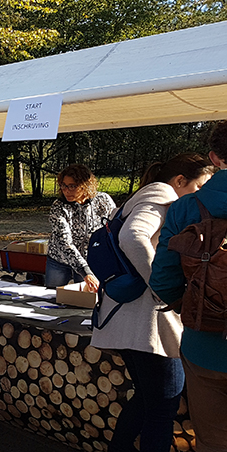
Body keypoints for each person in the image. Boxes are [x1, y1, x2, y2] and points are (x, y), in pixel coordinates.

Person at [89, 153, 214, 452]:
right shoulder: (163, 195)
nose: (199, 196)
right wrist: (161, 286)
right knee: (163, 405)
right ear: (180, 181)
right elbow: (133, 238)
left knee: (147, 400)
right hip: (147, 324)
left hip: (128, 319)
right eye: (199, 187)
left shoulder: (143, 197)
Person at [151, 121, 227, 452]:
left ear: (215, 157)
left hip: (204, 345)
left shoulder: (185, 208)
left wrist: (199, 307)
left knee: (213, 442)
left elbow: (163, 281)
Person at [45, 164, 115, 291]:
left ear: (85, 185)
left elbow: (113, 229)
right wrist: (85, 272)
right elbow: (64, 242)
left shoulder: (103, 200)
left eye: (72, 186)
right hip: (59, 260)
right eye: (63, 185)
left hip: (90, 259)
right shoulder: (59, 207)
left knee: (84, 302)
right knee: (51, 297)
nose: (66, 190)